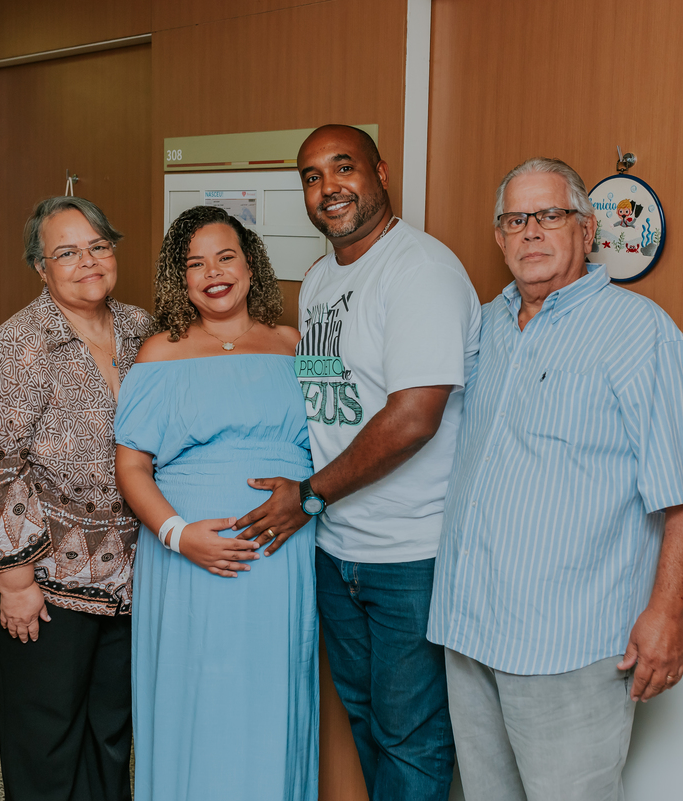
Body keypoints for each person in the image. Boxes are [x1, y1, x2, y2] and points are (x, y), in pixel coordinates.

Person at [426, 157, 683, 801]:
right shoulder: (487, 325)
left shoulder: (641, 334)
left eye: (550, 215)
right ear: (500, 238)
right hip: (470, 626)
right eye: (515, 219)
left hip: (569, 643)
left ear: (587, 231)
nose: (531, 231)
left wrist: (667, 614)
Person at [234, 124, 480, 800]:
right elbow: (327, 402)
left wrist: (308, 495)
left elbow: (411, 419)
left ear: (381, 171)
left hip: (409, 555)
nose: (328, 187)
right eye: (312, 176)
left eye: (343, 167)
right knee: (372, 722)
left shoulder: (420, 270)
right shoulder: (317, 281)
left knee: (412, 737)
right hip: (338, 548)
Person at [113, 205, 318, 801]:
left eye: (226, 257)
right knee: (195, 698)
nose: (214, 273)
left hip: (280, 557)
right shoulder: (157, 355)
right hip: (187, 562)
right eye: (195, 264)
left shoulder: (300, 345)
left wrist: (312, 504)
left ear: (251, 265)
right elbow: (131, 467)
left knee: (270, 696)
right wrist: (179, 535)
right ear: (182, 280)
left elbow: (342, 445)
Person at [0, 196, 151, 801]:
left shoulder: (143, 331)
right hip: (42, 576)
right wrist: (14, 582)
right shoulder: (18, 347)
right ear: (41, 268)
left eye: (98, 246)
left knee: (111, 726)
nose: (87, 261)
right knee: (46, 732)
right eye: (66, 252)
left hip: (126, 571)